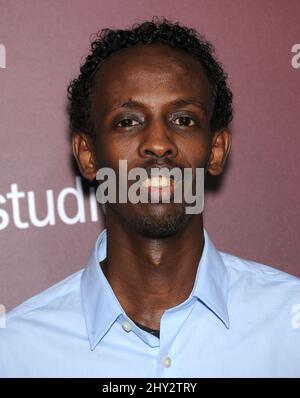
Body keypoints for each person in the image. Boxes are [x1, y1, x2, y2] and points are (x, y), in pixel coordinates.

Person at [0, 18, 299, 378]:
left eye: (183, 119)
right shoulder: (16, 352)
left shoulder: (289, 325)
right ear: (88, 156)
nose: (158, 143)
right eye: (127, 121)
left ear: (216, 150)